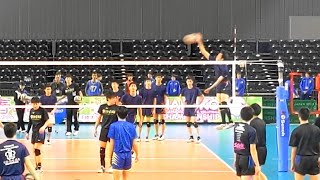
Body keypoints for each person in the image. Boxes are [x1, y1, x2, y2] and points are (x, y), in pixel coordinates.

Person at [196, 33, 234, 130]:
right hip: (219, 85)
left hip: (225, 84)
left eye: (219, 55)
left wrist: (210, 88)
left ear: (222, 58)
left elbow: (220, 79)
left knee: (224, 101)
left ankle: (230, 122)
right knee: (219, 103)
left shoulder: (224, 66)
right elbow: (204, 52)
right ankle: (223, 123)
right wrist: (199, 41)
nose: (217, 56)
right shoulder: (214, 60)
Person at [107, 106, 139, 180]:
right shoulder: (131, 126)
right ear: (127, 115)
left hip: (118, 155)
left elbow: (111, 143)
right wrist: (137, 155)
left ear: (117, 114)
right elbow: (134, 143)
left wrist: (109, 158)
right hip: (128, 155)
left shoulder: (113, 126)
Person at [289, 108, 320, 180]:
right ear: (309, 116)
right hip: (314, 158)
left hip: (301, 159)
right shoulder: (316, 129)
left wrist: (292, 163)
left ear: (299, 117)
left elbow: (294, 149)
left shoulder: (296, 131)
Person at [94, 92, 119, 173]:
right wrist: (95, 128)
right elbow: (99, 118)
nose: (116, 99)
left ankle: (112, 165)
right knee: (102, 149)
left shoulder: (117, 108)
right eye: (114, 98)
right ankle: (102, 166)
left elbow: (121, 118)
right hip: (104, 130)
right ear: (109, 98)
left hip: (113, 131)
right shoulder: (102, 107)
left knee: (112, 149)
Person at [233, 106, 261, 179]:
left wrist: (235, 159)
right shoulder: (251, 130)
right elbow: (253, 149)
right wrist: (257, 164)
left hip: (238, 157)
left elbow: (235, 143)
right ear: (252, 116)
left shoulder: (236, 127)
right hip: (246, 159)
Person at [26, 97, 52, 172]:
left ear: (39, 103)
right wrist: (27, 132)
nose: (35, 105)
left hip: (40, 132)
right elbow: (30, 122)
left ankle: (40, 167)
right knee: (34, 150)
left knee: (37, 149)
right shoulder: (31, 111)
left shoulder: (43, 110)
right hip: (34, 132)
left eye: (36, 104)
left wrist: (43, 127)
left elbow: (48, 121)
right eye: (33, 104)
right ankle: (37, 166)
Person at [180, 76, 204, 143]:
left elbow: (202, 97)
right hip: (187, 107)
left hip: (193, 107)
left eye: (190, 81)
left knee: (194, 122)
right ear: (186, 82)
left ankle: (198, 137)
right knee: (188, 123)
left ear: (192, 82)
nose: (189, 82)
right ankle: (191, 136)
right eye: (188, 81)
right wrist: (183, 102)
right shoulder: (184, 90)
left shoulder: (196, 89)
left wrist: (197, 104)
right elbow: (180, 96)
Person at [249, 103, 267, 180]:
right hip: (263, 149)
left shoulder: (252, 123)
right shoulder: (262, 122)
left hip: (256, 149)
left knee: (255, 172)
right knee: (258, 170)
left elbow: (251, 138)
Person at [152, 73, 168, 141]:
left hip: (161, 104)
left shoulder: (164, 87)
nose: (158, 78)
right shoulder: (152, 86)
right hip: (155, 105)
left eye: (159, 77)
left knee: (162, 120)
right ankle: (156, 134)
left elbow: (165, 96)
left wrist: (164, 105)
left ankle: (162, 134)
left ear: (161, 78)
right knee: (155, 120)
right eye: (157, 77)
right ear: (155, 78)